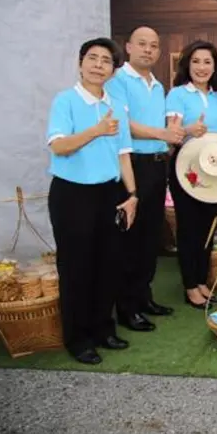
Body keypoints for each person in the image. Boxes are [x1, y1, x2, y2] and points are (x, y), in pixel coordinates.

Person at [46, 37, 139, 365]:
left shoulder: (115, 105)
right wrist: (97, 130)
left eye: (105, 60)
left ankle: (103, 328)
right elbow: (59, 146)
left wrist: (132, 195)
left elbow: (124, 154)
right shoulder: (66, 101)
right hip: (72, 195)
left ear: (113, 69)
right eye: (92, 58)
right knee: (76, 268)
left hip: (108, 194)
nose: (99, 65)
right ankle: (78, 338)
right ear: (81, 62)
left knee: (108, 265)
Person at [106, 25, 180, 333]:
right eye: (142, 44)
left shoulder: (158, 84)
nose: (148, 50)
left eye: (153, 45)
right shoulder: (117, 80)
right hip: (131, 166)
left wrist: (173, 135)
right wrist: (164, 133)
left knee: (151, 236)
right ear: (129, 47)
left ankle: (144, 296)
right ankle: (126, 308)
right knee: (130, 238)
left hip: (156, 164)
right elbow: (124, 126)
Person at [165, 40, 217, 309]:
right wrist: (189, 129)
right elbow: (171, 134)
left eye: (207, 62)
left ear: (215, 67)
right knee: (189, 229)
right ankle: (190, 286)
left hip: (214, 170)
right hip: (186, 168)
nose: (202, 67)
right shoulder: (177, 94)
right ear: (187, 65)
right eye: (196, 61)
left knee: (207, 228)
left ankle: (202, 281)